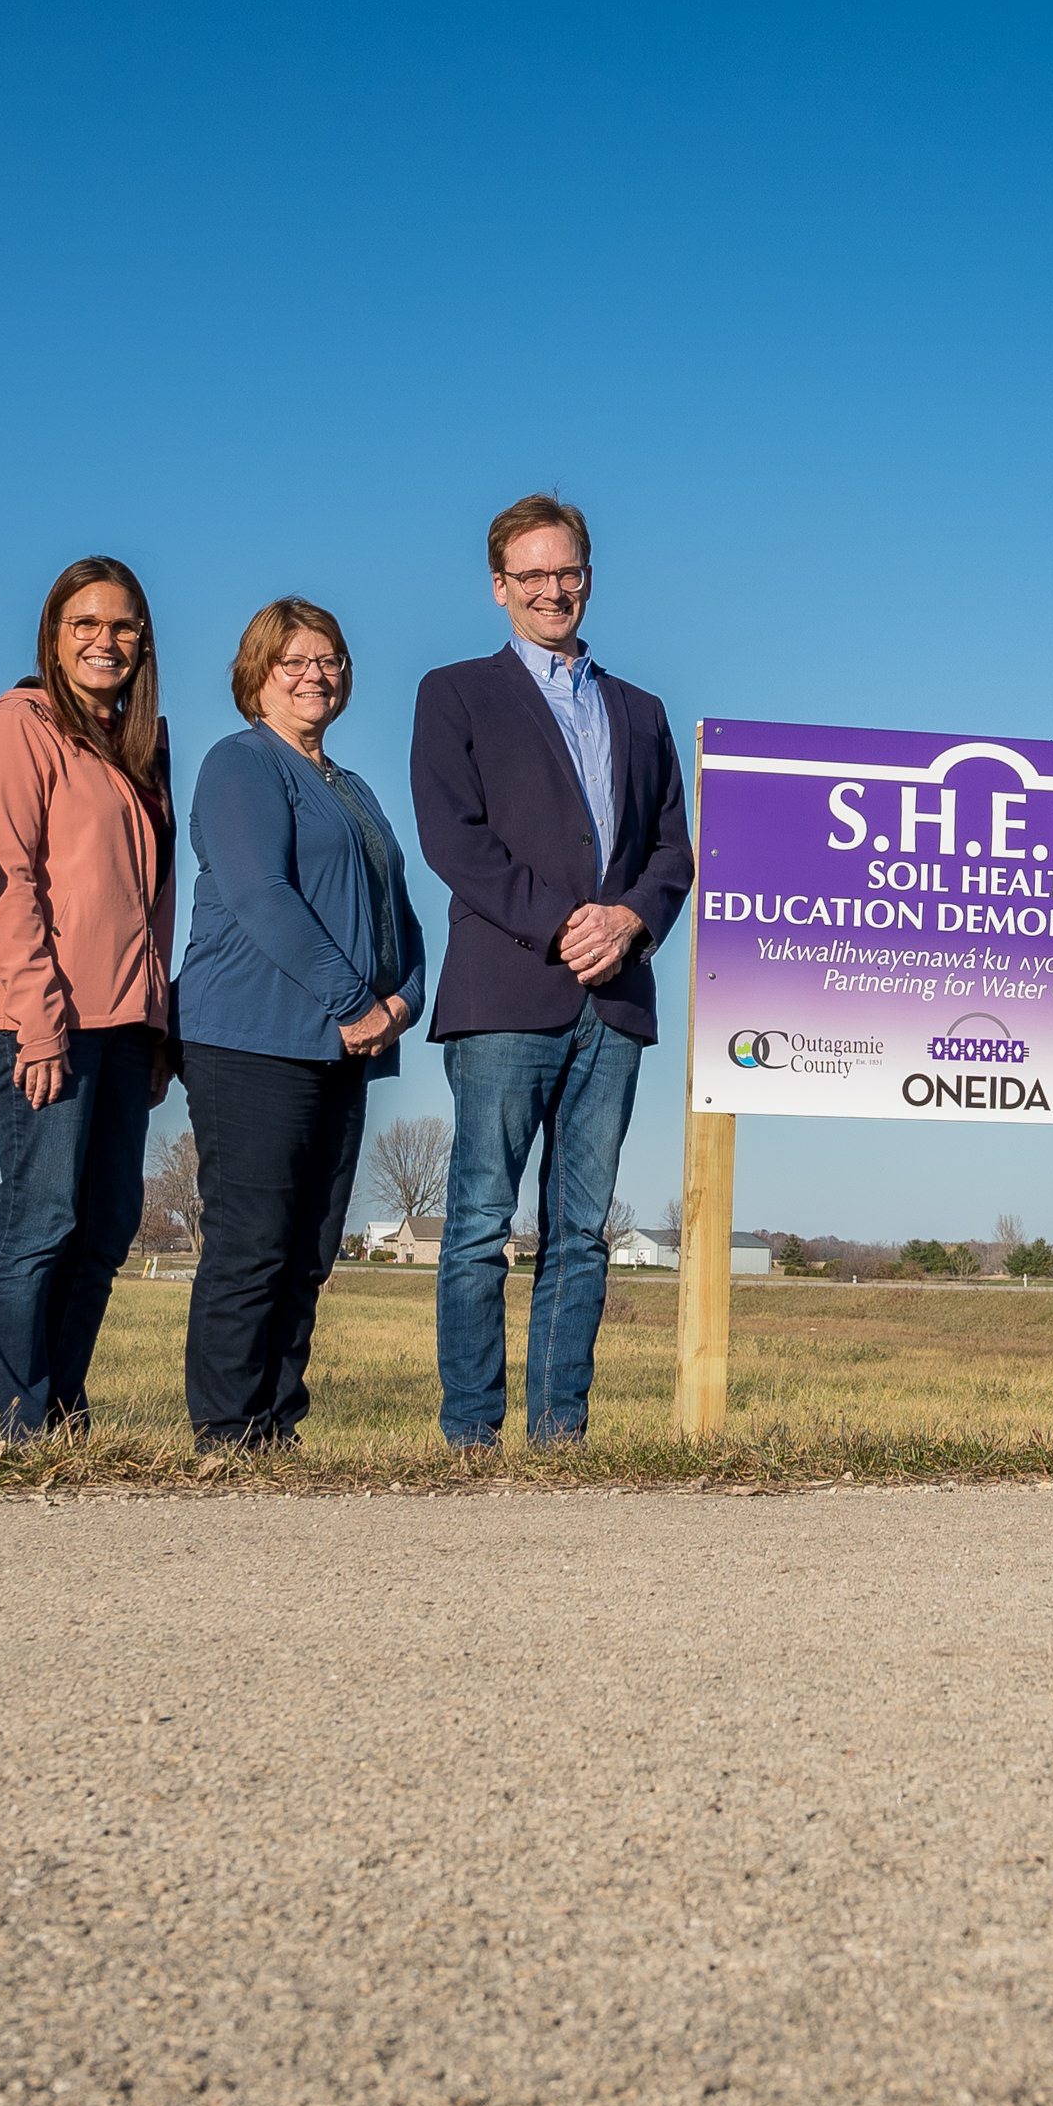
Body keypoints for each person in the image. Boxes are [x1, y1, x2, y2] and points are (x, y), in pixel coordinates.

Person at [407, 495, 692, 1451]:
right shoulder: (454, 693)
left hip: (613, 1002)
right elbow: (454, 839)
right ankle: (470, 1438)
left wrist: (629, 922)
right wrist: (565, 922)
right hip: (505, 993)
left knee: (580, 1234)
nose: (550, 590)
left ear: (588, 577)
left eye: (565, 572)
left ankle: (560, 1434)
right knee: (481, 1223)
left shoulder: (642, 711)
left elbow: (671, 852)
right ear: (499, 588)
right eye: (530, 575)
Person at [182, 597, 427, 1451]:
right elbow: (261, 896)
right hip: (251, 1038)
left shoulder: (349, 787)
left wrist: (404, 1000)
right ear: (258, 676)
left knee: (310, 1248)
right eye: (293, 662)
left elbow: (397, 910)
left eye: (328, 660)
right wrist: (351, 1001)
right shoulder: (241, 764)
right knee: (252, 1243)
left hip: (345, 1047)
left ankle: (277, 1428)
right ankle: (226, 1430)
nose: (314, 675)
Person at [0, 558, 178, 1445]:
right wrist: (39, 1023)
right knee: (40, 1217)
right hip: (38, 1019)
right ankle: (6, 1425)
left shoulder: (143, 747)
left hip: (127, 1025)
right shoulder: (18, 726)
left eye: (123, 627)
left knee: (107, 1226)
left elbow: (155, 899)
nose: (105, 641)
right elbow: (7, 881)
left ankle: (59, 1410)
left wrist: (160, 1027)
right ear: (53, 636)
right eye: (84, 624)